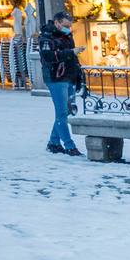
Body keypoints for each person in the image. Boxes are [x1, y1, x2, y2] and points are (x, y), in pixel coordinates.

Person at [38, 11, 84, 157]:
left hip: (68, 77)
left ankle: (54, 143)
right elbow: (48, 56)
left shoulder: (66, 35)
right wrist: (71, 52)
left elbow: (72, 59)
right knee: (62, 113)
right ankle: (70, 146)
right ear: (56, 23)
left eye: (69, 26)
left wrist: (78, 77)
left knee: (65, 112)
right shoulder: (46, 37)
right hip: (55, 78)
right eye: (65, 25)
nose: (68, 28)